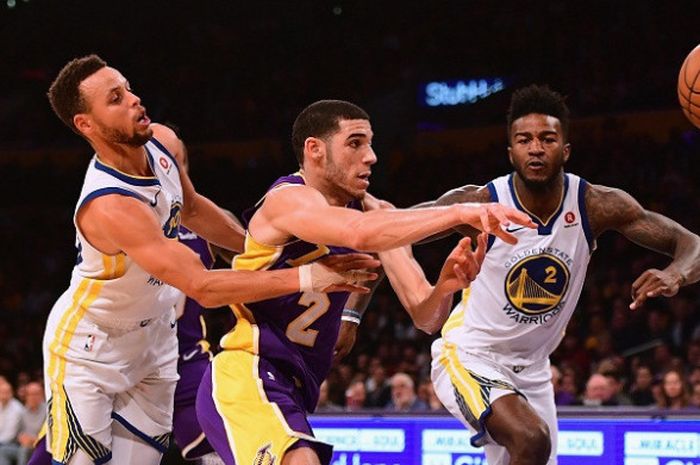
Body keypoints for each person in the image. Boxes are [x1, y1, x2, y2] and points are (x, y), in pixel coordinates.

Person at [42, 56, 377, 465]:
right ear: (86, 124)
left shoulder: (159, 145)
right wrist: (304, 275)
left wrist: (262, 250)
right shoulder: (111, 205)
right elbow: (203, 286)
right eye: (116, 98)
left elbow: (196, 210)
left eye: (128, 88)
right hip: (92, 345)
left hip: (155, 342)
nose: (134, 99)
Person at [195, 99, 536, 465]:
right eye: (355, 143)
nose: (371, 156)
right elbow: (358, 234)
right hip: (245, 373)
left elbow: (427, 316)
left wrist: (446, 286)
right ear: (315, 150)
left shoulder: (375, 212)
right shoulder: (287, 200)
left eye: (371, 143)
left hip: (294, 388)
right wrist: (459, 211)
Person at [420, 85, 700, 465]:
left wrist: (675, 276)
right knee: (531, 441)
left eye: (547, 138)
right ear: (511, 152)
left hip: (534, 369)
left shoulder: (595, 205)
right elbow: (393, 231)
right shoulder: (481, 203)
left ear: (565, 149)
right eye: (524, 140)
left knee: (533, 450)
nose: (536, 147)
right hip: (470, 354)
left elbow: (692, 245)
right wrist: (352, 312)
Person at [0, 377, 25, 465]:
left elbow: (10, 435)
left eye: (6, 392)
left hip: (12, 444)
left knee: (1, 451)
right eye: (1, 392)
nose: (3, 395)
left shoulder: (17, 409)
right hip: (2, 442)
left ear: (11, 393)